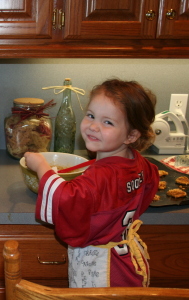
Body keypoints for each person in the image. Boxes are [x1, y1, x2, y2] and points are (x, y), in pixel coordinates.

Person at [24, 78, 159, 288]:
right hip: (128, 263)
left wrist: (42, 167)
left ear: (132, 135)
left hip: (102, 272)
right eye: (91, 115)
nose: (94, 126)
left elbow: (68, 199)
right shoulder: (138, 162)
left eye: (108, 122)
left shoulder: (101, 176)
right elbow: (148, 184)